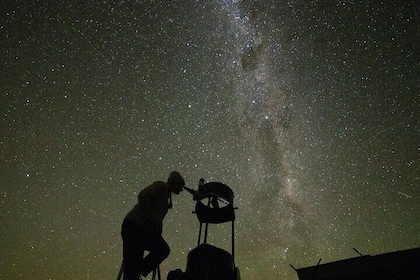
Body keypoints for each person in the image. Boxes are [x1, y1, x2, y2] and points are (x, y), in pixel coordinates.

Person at [121, 171, 185, 280]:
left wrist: (155, 229)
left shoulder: (166, 195)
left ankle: (138, 269)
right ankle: (140, 269)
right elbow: (143, 195)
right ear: (175, 183)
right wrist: (150, 218)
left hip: (140, 230)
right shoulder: (161, 186)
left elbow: (157, 219)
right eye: (180, 186)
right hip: (134, 227)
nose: (181, 189)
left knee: (133, 264)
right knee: (162, 250)